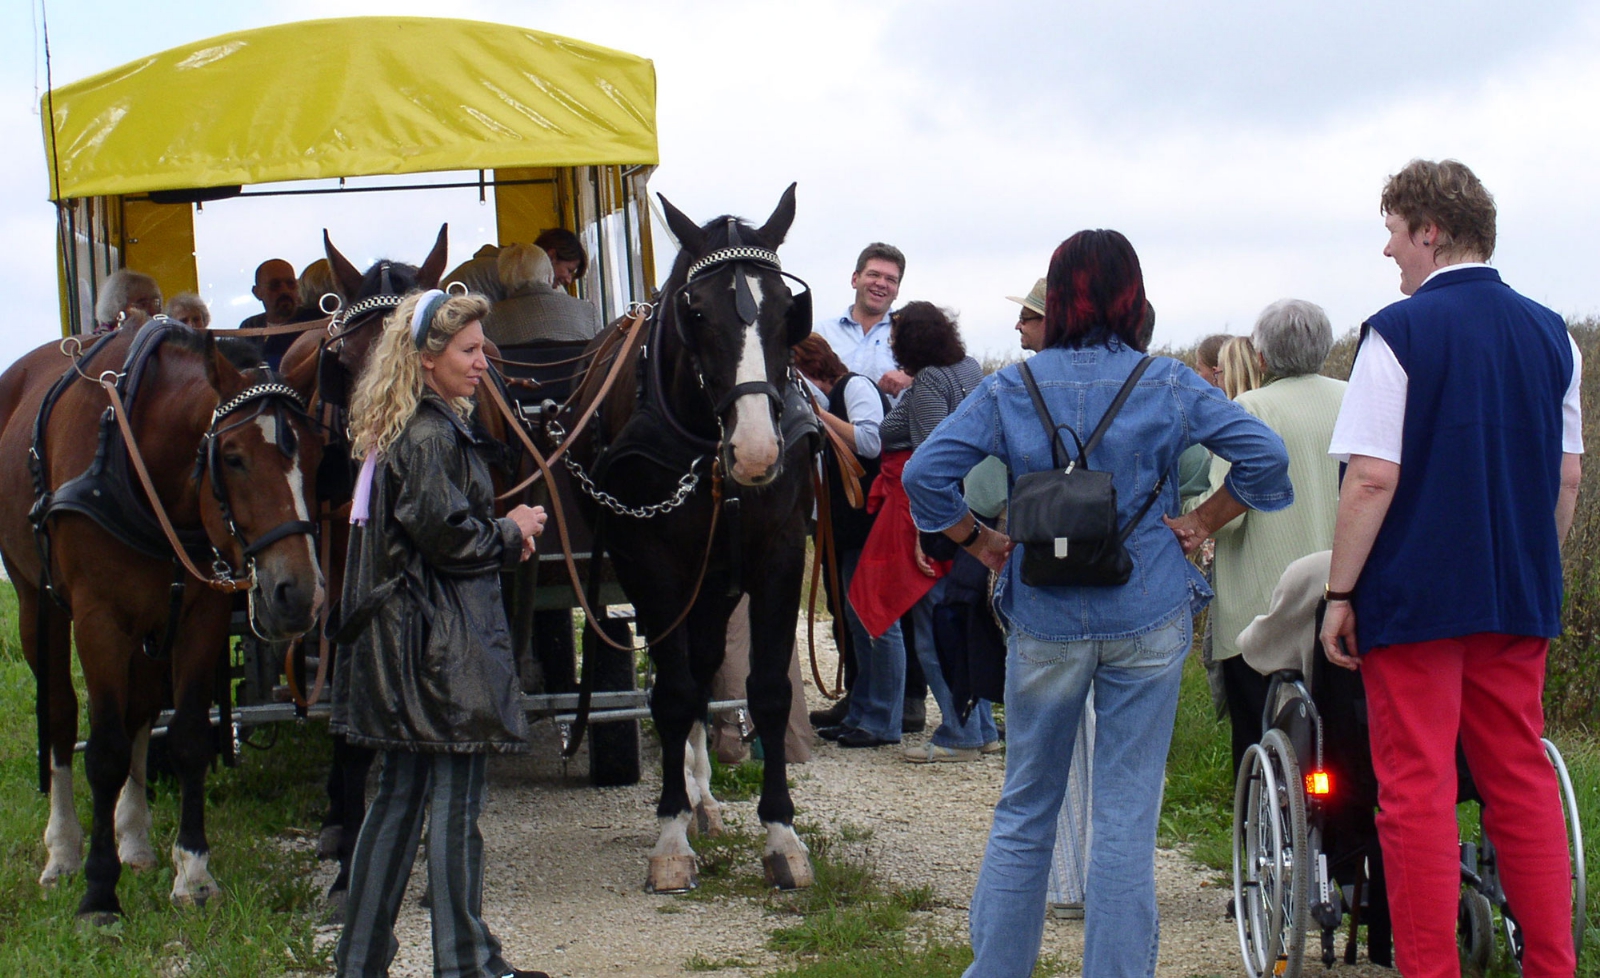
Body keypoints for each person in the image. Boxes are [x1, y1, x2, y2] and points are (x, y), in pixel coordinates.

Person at [902, 229, 1290, 977]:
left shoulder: (1013, 385)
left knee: (1025, 808)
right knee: (1123, 817)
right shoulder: (1168, 383)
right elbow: (1265, 459)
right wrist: (1204, 521)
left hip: (1044, 616)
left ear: (1057, 300)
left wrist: (978, 541)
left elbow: (925, 475)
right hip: (1145, 611)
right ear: (1131, 298)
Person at [1320, 158, 1583, 978]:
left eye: (1394, 232)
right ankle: (1552, 964)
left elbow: (1371, 477)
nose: (1389, 252)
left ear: (1430, 231)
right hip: (1517, 595)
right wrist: (1538, 564)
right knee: (1521, 777)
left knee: (1418, 788)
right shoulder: (1555, 335)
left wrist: (1339, 592)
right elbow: (1568, 476)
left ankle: (1431, 967)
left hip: (1417, 598)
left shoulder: (1395, 334)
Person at [332, 289, 550, 978]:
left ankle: (361, 960)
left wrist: (490, 523)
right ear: (428, 359)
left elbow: (425, 531)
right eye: (467, 350)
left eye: (482, 348)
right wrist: (512, 530)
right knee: (456, 807)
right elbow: (449, 540)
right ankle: (466, 964)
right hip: (439, 650)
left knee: (398, 799)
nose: (482, 361)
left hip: (405, 645)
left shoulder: (404, 427)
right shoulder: (429, 435)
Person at [1197, 299, 1346, 776]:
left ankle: (1259, 837)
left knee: (1258, 748)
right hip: (1343, 604)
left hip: (1262, 615)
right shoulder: (1354, 400)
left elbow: (1229, 515)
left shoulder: (1251, 409)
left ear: (1260, 358)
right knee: (1340, 745)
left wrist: (1188, 514)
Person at [851, 301, 1000, 763]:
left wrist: (926, 527)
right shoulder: (969, 369)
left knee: (932, 630)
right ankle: (982, 727)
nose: (891, 345)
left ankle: (960, 733)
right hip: (978, 511)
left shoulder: (932, 380)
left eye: (896, 337)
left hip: (937, 516)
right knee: (960, 621)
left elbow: (935, 455)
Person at [792, 334, 901, 748]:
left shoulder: (853, 387)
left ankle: (883, 719)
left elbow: (872, 442)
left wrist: (818, 414)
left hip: (868, 520)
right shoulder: (835, 395)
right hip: (846, 523)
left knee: (878, 622)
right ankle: (862, 711)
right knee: (856, 622)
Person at [814, 243, 912, 399]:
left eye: (891, 279)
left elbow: (947, 375)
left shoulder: (913, 337)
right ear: (855, 279)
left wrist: (911, 376)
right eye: (874, 274)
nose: (881, 283)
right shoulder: (821, 334)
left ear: (897, 290)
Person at [481, 244, 600, 346]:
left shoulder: (488, 319)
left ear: (504, 278)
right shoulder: (588, 311)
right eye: (569, 271)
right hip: (577, 373)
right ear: (549, 275)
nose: (569, 280)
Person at [93, 269, 161, 332]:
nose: (153, 311)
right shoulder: (103, 340)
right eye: (143, 304)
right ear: (116, 309)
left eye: (155, 303)